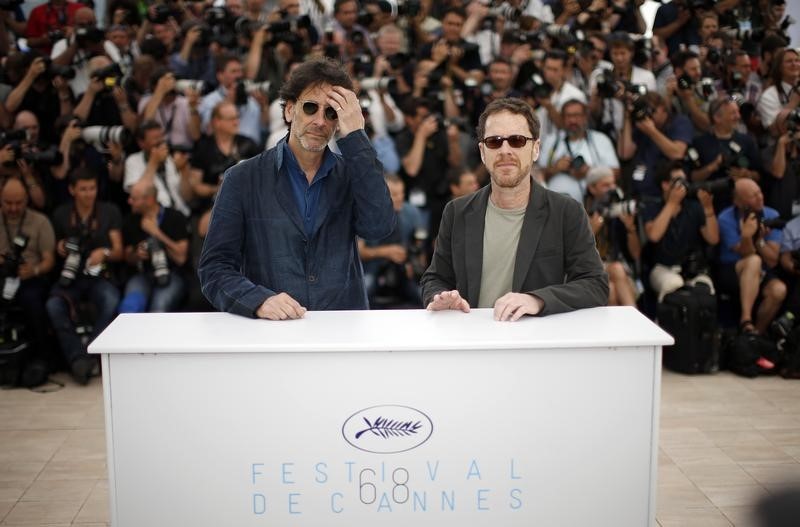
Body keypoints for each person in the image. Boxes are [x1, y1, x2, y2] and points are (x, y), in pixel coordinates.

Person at [198, 57, 395, 320]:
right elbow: (215, 268)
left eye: (331, 112)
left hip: (343, 331)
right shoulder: (242, 178)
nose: (320, 121)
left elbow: (378, 226)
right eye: (311, 107)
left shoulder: (353, 173)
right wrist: (258, 300)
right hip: (274, 334)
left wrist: (356, 137)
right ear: (290, 110)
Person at [420, 98, 608, 320]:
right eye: (494, 142)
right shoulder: (456, 212)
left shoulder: (566, 211)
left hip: (535, 344)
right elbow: (434, 279)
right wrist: (441, 298)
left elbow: (595, 285)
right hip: (472, 341)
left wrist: (537, 299)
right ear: (482, 151)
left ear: (535, 149)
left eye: (517, 141)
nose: (505, 150)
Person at [46, 169, 122, 384]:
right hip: (70, 276)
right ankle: (77, 358)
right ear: (71, 190)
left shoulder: (109, 211)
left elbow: (119, 251)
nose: (89, 194)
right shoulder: (61, 214)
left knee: (111, 300)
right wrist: (60, 246)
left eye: (92, 188)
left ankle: (88, 354)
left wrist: (104, 252)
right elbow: (51, 250)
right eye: (83, 189)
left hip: (99, 276)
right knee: (54, 305)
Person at [717, 178, 786, 335]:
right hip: (733, 268)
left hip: (762, 269)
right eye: (753, 196)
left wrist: (760, 241)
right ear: (740, 202)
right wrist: (747, 236)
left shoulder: (772, 214)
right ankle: (746, 319)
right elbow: (746, 253)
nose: (760, 197)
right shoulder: (725, 218)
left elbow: (773, 260)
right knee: (753, 260)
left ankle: (755, 336)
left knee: (778, 290)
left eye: (759, 192)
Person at [120, 180, 189, 313]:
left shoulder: (175, 217)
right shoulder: (131, 220)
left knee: (159, 308)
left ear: (149, 199)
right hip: (142, 274)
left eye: (134, 199)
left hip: (171, 274)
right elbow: (127, 256)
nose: (129, 201)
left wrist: (156, 233)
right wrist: (136, 255)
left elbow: (181, 258)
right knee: (130, 307)